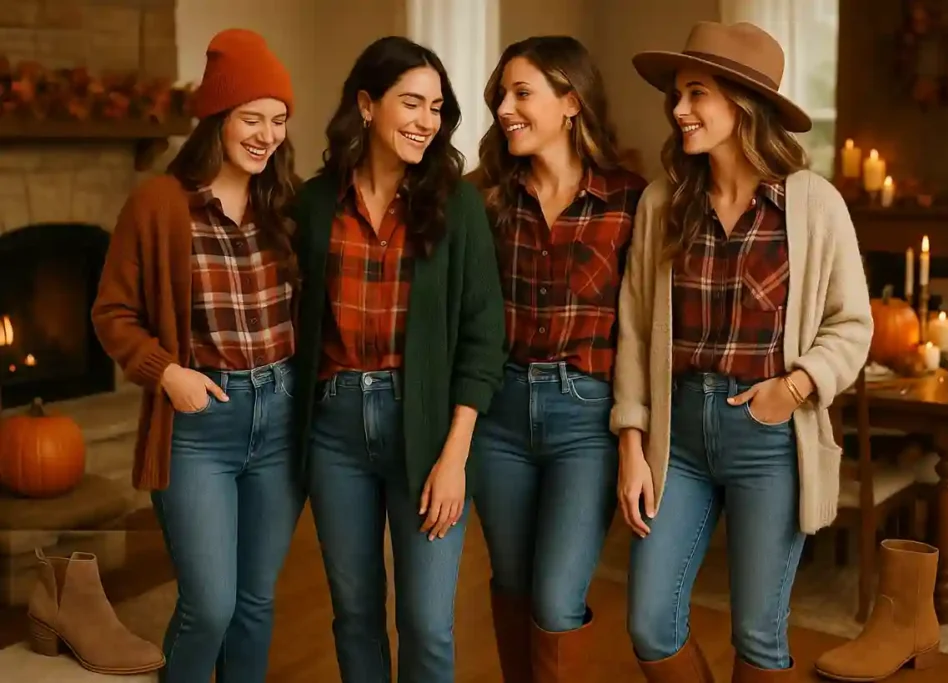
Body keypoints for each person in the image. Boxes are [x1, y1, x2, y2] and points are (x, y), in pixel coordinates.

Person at [612, 22, 872, 682]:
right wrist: (632, 441)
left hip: (769, 437)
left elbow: (852, 324)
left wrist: (796, 387)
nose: (679, 109)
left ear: (742, 104)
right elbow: (635, 329)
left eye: (696, 93)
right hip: (677, 440)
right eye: (676, 94)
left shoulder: (813, 204)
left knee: (758, 631)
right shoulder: (663, 203)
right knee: (649, 622)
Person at [288, 36, 506, 683]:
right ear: (366, 104)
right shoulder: (314, 204)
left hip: (429, 429)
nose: (426, 121)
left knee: (428, 621)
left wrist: (455, 456)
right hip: (334, 430)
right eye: (411, 103)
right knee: (354, 613)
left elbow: (484, 335)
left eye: (436, 107)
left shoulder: (458, 204)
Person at [91, 29, 304, 683]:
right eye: (252, 118)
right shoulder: (158, 205)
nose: (267, 135)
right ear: (217, 119)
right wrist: (167, 372)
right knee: (210, 605)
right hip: (198, 426)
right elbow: (111, 313)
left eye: (278, 120)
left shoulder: (286, 204)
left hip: (281, 419)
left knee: (255, 603)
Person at [471, 35, 648, 682]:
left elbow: (643, 329)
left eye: (522, 93)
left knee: (555, 598)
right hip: (499, 416)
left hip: (586, 421)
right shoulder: (484, 199)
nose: (504, 109)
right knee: (513, 585)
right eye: (501, 96)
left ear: (571, 101)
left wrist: (634, 439)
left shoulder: (631, 200)